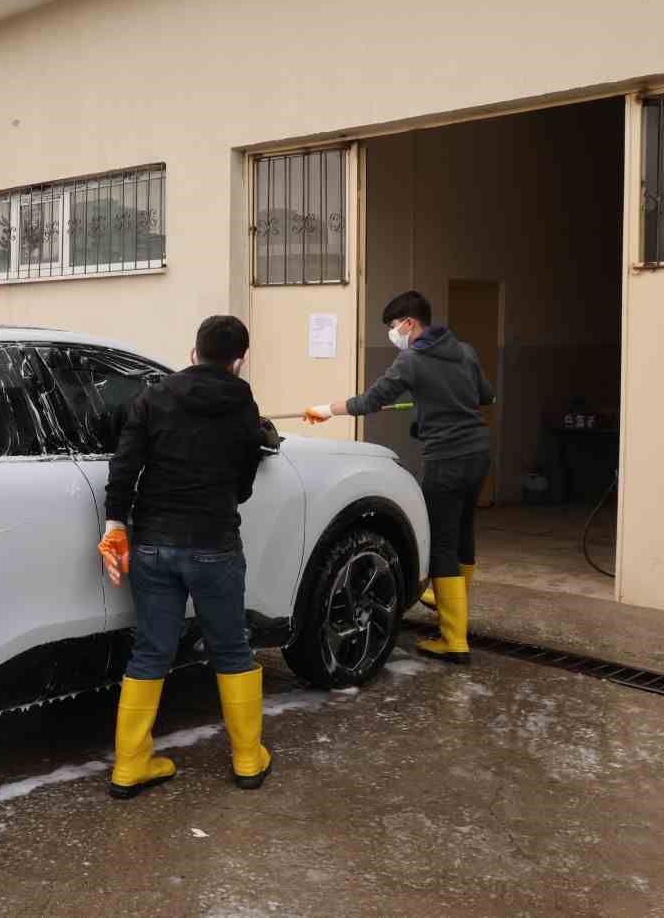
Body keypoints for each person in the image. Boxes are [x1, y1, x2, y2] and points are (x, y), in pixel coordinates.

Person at [98, 314, 271, 797]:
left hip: (152, 543)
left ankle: (130, 765)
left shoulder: (153, 395)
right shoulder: (243, 405)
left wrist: (115, 523)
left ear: (194, 352)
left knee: (151, 649)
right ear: (239, 361)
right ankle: (246, 759)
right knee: (230, 648)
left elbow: (125, 463)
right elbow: (242, 485)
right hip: (213, 544)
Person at [303, 290, 496, 666]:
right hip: (478, 453)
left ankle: (453, 639)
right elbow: (484, 396)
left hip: (447, 457)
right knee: (462, 532)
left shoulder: (412, 359)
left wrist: (325, 410)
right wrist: (437, 405)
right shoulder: (466, 350)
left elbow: (371, 401)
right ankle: (447, 605)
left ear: (409, 323)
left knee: (441, 543)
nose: (393, 333)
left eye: (393, 326)